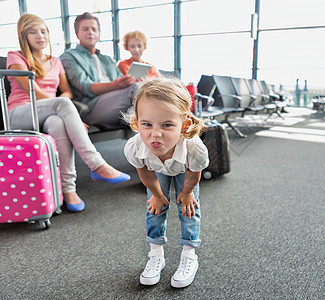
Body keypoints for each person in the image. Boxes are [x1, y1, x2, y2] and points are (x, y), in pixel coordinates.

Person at [6, 13, 130, 213]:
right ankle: (97, 164)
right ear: (24, 36)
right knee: (62, 106)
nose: (40, 36)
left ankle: (68, 190)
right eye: (33, 32)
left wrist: (66, 111)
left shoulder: (55, 61)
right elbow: (33, 92)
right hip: (19, 112)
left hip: (50, 111)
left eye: (44, 31)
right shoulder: (15, 56)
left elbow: (67, 91)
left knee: (58, 122)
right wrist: (67, 109)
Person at [123, 78, 209, 288]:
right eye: (147, 124)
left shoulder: (195, 150)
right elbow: (145, 174)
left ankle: (189, 255)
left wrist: (187, 193)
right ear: (136, 123)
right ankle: (156, 255)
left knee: (188, 209)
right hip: (156, 170)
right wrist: (157, 194)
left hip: (184, 171)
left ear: (184, 124)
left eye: (167, 125)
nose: (156, 133)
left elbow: (193, 175)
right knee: (155, 209)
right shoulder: (134, 148)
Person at [60, 12, 138, 128]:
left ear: (99, 34)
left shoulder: (108, 60)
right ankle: (138, 122)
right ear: (77, 34)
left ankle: (134, 121)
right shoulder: (69, 57)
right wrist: (116, 85)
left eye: (94, 29)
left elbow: (121, 81)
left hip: (117, 101)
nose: (90, 32)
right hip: (92, 107)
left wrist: (130, 80)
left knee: (144, 88)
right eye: (85, 29)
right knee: (138, 88)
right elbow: (85, 87)